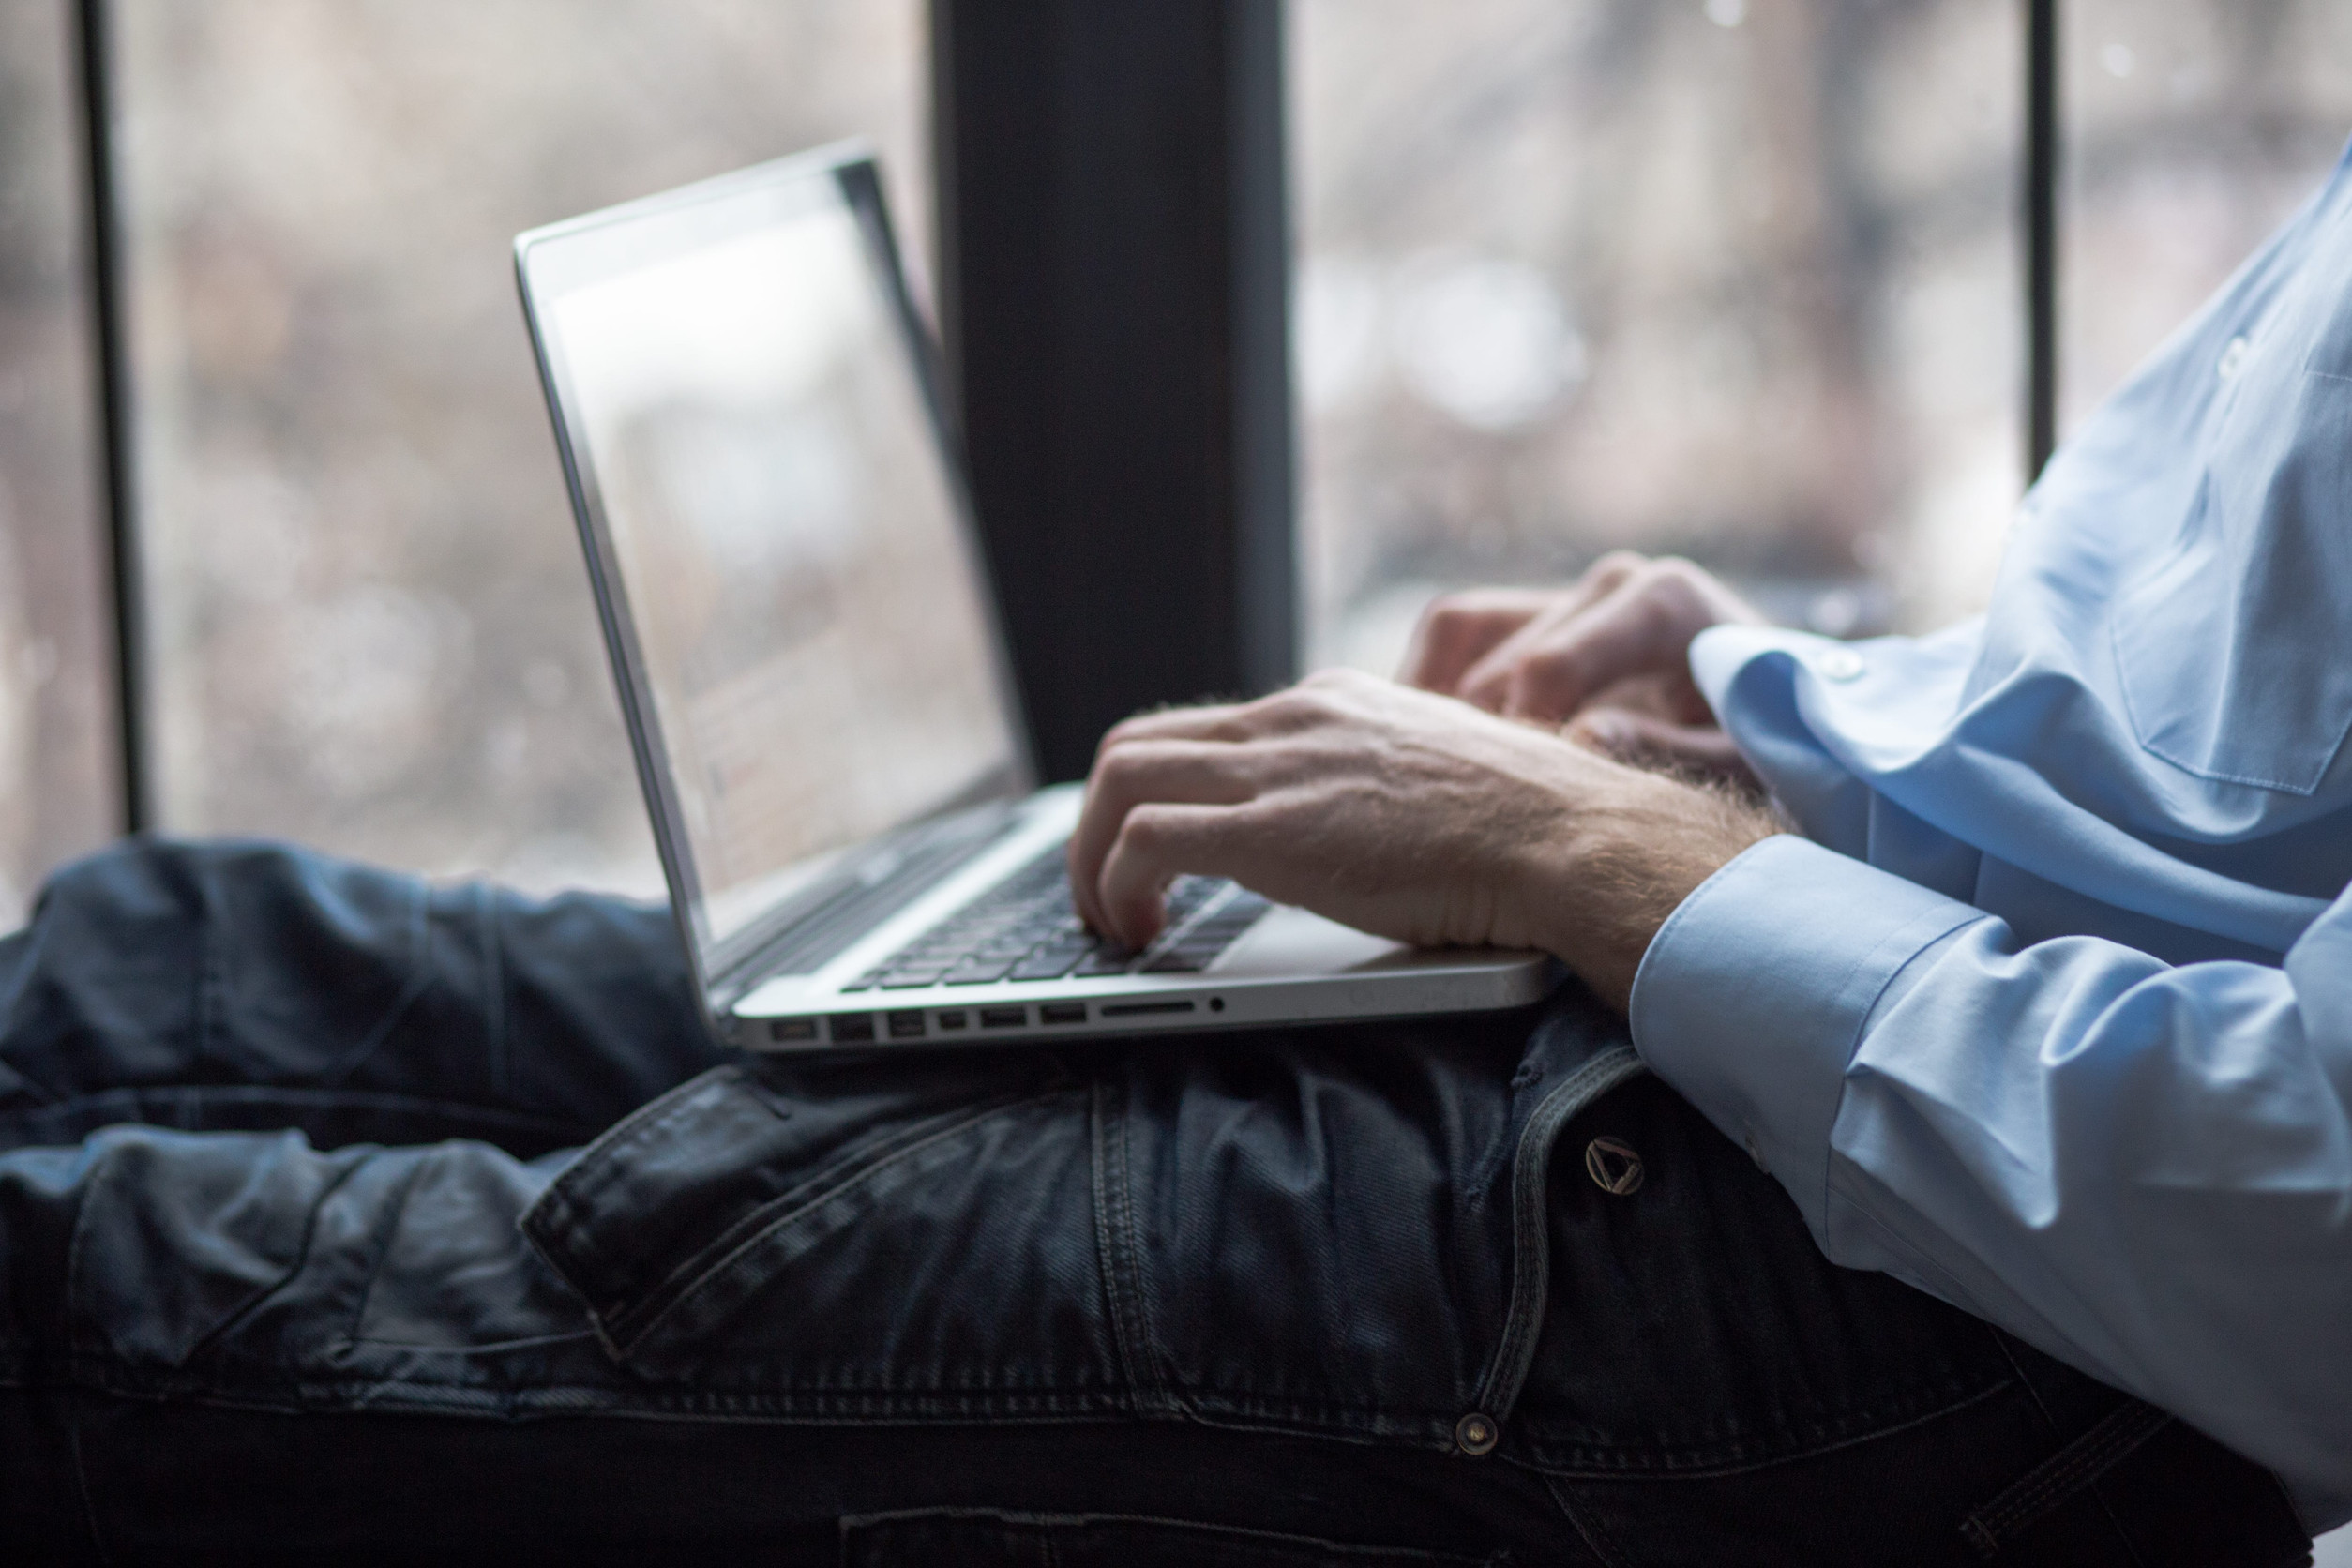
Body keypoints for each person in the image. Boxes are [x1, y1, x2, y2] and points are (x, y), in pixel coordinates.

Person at [4, 150, 2349, 1568]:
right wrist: (1805, 714)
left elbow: (2308, 1225)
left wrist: (1579, 844)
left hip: (1923, 1320)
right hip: (1796, 1029)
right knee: (199, 960)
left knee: (267, 1304)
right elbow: (2234, 799)